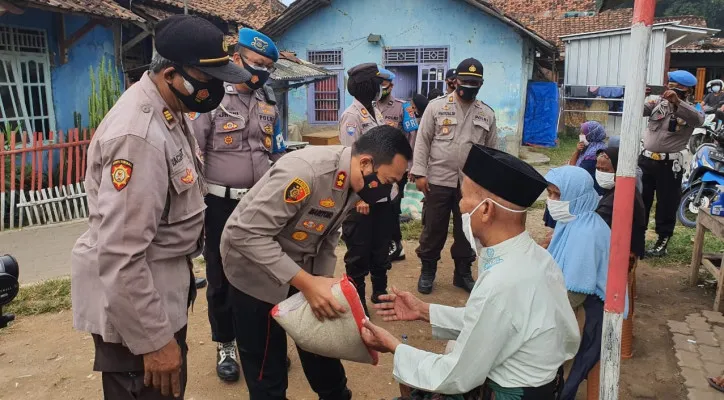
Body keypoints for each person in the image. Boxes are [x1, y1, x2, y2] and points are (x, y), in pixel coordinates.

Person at [70, 15, 250, 400]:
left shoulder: (168, 110)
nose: (216, 89)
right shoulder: (139, 135)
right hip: (137, 315)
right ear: (171, 74)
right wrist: (153, 340)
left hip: (157, 294)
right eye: (208, 79)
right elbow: (120, 253)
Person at [361, 144, 580, 399]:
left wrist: (395, 347)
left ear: (486, 210)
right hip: (544, 385)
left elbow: (457, 375)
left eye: (464, 197)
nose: (461, 207)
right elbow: (490, 319)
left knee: (413, 386)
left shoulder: (503, 280)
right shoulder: (537, 258)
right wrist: (424, 311)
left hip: (512, 394)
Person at [221, 127, 412, 399]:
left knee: (323, 347)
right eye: (387, 180)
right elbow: (243, 233)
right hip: (255, 273)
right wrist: (308, 284)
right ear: (367, 162)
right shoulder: (306, 173)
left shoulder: (356, 181)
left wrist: (320, 284)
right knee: (267, 367)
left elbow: (327, 233)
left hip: (302, 269)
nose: (388, 189)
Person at [185, 27, 285, 382]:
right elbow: (193, 156)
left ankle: (258, 339)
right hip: (219, 205)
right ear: (236, 57)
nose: (263, 73)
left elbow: (277, 152)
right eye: (258, 64)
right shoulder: (211, 97)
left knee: (264, 273)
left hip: (260, 204)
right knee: (222, 278)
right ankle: (225, 342)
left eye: (269, 67)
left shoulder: (268, 101)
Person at [411, 57, 497, 294]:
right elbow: (423, 141)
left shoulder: (486, 114)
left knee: (467, 230)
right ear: (455, 80)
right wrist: (419, 173)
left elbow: (492, 152)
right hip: (437, 180)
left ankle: (463, 273)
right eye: (465, 81)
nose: (468, 86)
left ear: (481, 84)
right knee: (433, 228)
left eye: (474, 82)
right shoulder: (436, 107)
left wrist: (488, 184)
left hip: (470, 185)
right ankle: (428, 271)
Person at [543, 166, 612, 400]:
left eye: (556, 194)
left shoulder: (586, 233)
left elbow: (574, 295)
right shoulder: (574, 219)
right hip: (575, 301)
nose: (551, 200)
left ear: (576, 195)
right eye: (549, 193)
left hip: (591, 314)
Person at [338, 64, 397, 316]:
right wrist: (360, 197)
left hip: (382, 193)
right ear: (367, 85)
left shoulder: (375, 111)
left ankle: (380, 293)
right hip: (363, 197)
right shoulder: (351, 116)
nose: (380, 87)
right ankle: (358, 303)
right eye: (377, 83)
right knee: (359, 252)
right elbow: (351, 159)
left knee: (380, 247)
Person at [640, 70, 704, 257]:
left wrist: (678, 102)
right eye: (670, 87)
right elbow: (638, 110)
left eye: (677, 90)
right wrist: (640, 95)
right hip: (646, 160)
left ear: (686, 92)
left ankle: (662, 240)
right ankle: (638, 236)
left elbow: (699, 120)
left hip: (669, 165)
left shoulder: (692, 109)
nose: (670, 92)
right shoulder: (658, 104)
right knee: (642, 200)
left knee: (666, 204)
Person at [377, 68, 410, 263]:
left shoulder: (403, 108)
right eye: (377, 84)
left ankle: (396, 245)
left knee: (392, 207)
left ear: (391, 85)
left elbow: (413, 138)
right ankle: (384, 245)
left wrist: (412, 166)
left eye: (383, 84)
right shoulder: (368, 107)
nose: (380, 88)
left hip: (396, 170)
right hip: (375, 170)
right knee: (378, 208)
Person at [595, 147, 647, 259]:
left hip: (620, 251)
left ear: (619, 169)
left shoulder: (616, 197)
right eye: (598, 169)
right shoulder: (620, 189)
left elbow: (598, 228)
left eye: (605, 170)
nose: (600, 173)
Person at [338, 63, 388, 147]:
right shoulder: (351, 116)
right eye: (377, 85)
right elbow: (350, 152)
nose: (380, 88)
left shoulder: (374, 109)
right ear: (368, 87)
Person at [569, 120, 606, 194]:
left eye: (583, 133)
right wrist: (577, 151)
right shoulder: (589, 148)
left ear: (591, 134)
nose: (581, 135)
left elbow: (572, 171)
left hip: (592, 193)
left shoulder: (592, 155)